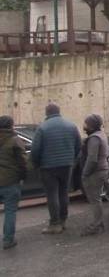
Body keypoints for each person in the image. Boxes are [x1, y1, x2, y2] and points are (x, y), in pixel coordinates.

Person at [31, 103, 81, 235]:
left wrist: (36, 164)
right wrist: (72, 159)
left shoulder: (42, 128)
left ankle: (55, 224)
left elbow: (35, 150)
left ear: (47, 113)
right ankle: (63, 220)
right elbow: (78, 145)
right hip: (67, 165)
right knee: (63, 193)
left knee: (52, 194)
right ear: (59, 111)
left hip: (48, 167)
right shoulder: (71, 126)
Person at [79, 114, 109, 236]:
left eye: (85, 123)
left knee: (95, 200)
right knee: (96, 199)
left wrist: (85, 174)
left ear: (91, 125)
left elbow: (92, 158)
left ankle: (97, 225)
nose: (84, 125)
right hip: (102, 170)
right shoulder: (101, 135)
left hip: (95, 172)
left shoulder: (94, 139)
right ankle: (99, 223)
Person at [0, 115, 26, 250]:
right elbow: (23, 162)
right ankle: (8, 240)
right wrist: (22, 177)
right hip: (10, 181)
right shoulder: (15, 140)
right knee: (10, 211)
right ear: (11, 126)